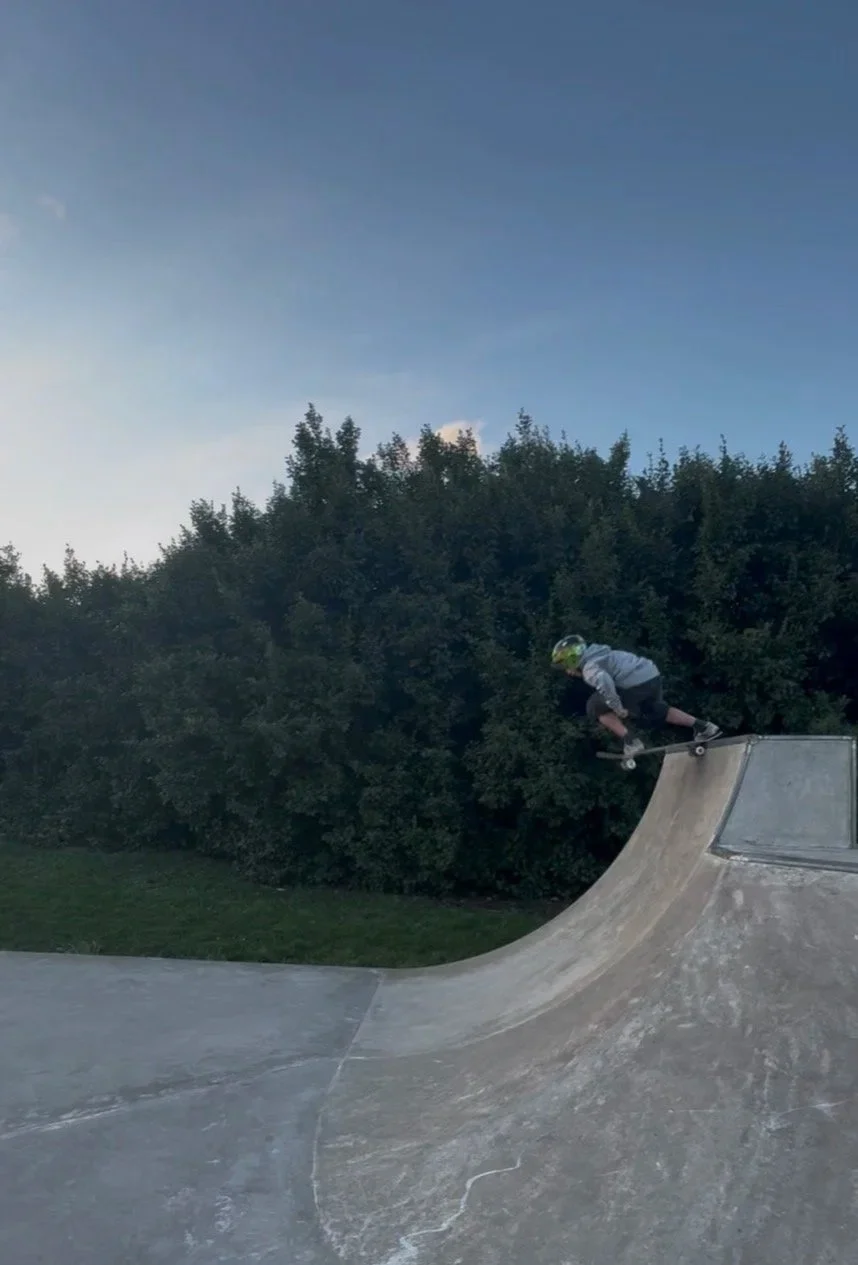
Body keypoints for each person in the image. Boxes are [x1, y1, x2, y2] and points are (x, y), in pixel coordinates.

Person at [551, 634, 721, 760]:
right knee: (656, 710)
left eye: (565, 666)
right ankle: (704, 727)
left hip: (634, 685)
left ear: (571, 661)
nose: (567, 671)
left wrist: (618, 708)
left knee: (594, 706)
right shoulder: (599, 652)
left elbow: (603, 681)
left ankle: (631, 741)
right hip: (651, 676)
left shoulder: (589, 668)